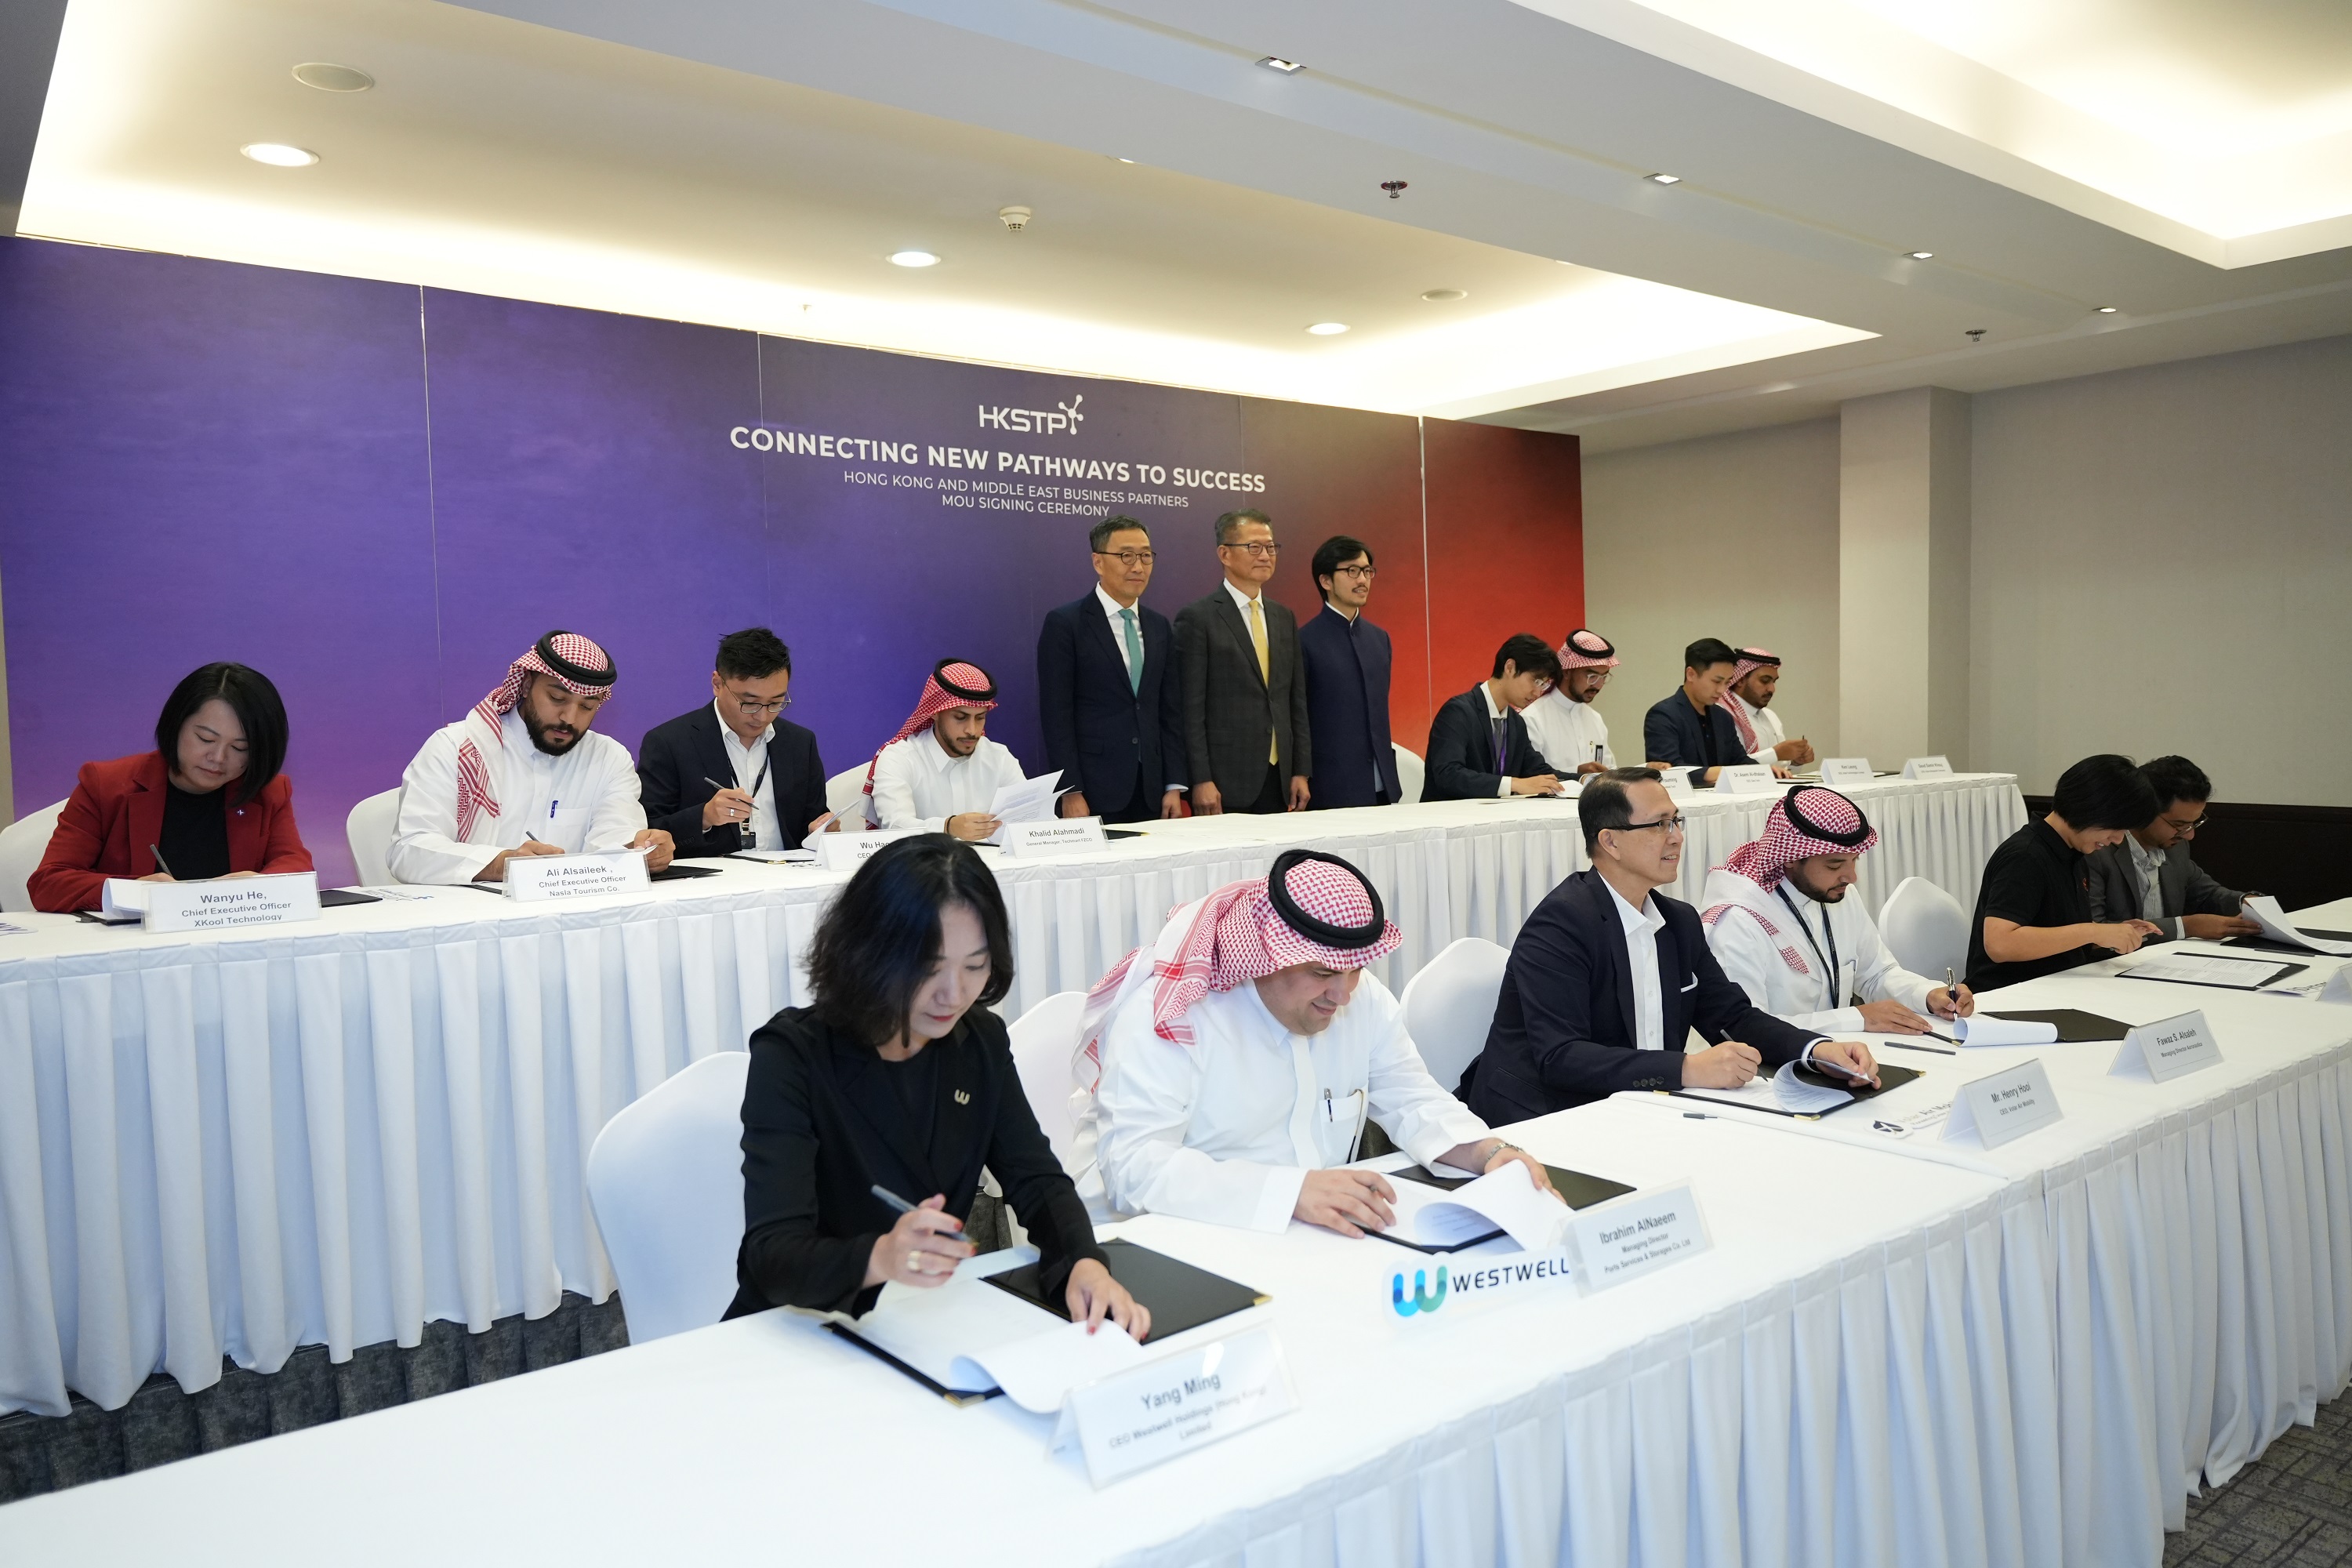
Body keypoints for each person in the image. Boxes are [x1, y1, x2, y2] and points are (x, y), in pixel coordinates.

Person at [727, 834, 1146, 1335]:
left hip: (915, 1322)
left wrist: (1083, 1261)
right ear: (869, 951)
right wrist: (881, 1256)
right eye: (929, 968)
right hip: (799, 1326)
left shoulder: (978, 1041)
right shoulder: (793, 1055)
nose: (955, 994)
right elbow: (772, 1255)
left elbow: (1035, 1179)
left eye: (975, 966)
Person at [1069, 850, 1558, 1236]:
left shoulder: (1359, 998)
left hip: (1310, 1234)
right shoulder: (1173, 1016)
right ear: (1266, 957)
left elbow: (1410, 1095)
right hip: (1162, 1242)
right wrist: (1289, 1193)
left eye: (1356, 969)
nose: (1343, 994)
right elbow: (1136, 1171)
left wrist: (1486, 1151)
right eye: (1322, 972)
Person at [1463, 768, 1878, 1120]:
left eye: (1677, 822)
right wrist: (1687, 1068)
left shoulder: (1678, 921)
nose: (1676, 837)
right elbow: (1562, 1057)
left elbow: (1733, 1016)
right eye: (1660, 825)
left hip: (1641, 1107)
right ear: (1610, 842)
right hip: (1545, 1117)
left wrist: (1817, 1049)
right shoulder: (1561, 924)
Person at [388, 633, 673, 884]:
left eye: (587, 707)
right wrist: (504, 863)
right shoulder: (457, 747)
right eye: (557, 699)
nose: (569, 719)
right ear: (525, 685)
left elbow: (614, 838)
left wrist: (638, 850)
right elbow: (409, 850)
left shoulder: (609, 758)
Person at [31, 662, 314, 913]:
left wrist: (259, 885)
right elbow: (49, 882)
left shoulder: (268, 792)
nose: (218, 758)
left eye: (240, 748)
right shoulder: (105, 784)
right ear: (177, 724)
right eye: (205, 739)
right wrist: (137, 891)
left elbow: (295, 865)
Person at [1700, 786, 1974, 1035]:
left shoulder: (1839, 895)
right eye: (1834, 865)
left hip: (1842, 1054)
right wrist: (1857, 1018)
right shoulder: (1738, 920)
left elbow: (1876, 973)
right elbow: (1746, 1028)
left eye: (1854, 860)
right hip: (1766, 1075)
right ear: (1791, 859)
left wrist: (1927, 994)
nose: (1851, 877)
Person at [1966, 753, 2165, 991]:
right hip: (2009, 994)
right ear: (2092, 809)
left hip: (2057, 985)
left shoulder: (2072, 853)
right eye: (2116, 827)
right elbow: (2000, 944)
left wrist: (2110, 933)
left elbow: (2052, 924)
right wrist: (2094, 931)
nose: (2117, 839)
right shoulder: (2025, 856)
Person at [1035, 517, 1187, 824]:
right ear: (1098, 562)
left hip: (1151, 790)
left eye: (1146, 556)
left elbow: (1169, 711)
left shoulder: (1159, 626)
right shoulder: (1066, 624)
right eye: (1126, 556)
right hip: (1093, 790)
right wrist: (1070, 791)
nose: (1138, 566)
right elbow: (1056, 716)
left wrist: (1173, 785)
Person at [636, 628, 835, 858]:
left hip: (789, 877)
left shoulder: (801, 742)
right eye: (749, 703)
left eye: (776, 702)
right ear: (717, 684)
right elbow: (648, 833)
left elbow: (811, 821)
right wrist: (705, 817)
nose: (762, 716)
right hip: (714, 882)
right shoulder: (669, 742)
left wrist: (820, 830)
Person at [1174, 509, 1310, 814]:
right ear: (1224, 553)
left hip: (1282, 779)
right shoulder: (1198, 618)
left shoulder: (1283, 616)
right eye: (1254, 547)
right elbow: (1190, 709)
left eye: (1271, 547)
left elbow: (1295, 700)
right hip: (1225, 782)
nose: (1266, 555)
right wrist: (1201, 779)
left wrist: (1300, 769)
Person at [2084, 756, 2261, 942]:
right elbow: (2092, 931)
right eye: (2178, 825)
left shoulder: (2175, 848)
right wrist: (2186, 927)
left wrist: (2246, 902)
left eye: (2194, 824)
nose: (2188, 835)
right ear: (2143, 809)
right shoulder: (2097, 850)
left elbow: (2207, 894)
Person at [864, 660, 1028, 841]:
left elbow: (1029, 816)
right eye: (960, 717)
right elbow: (894, 827)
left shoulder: (999, 757)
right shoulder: (899, 758)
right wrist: (947, 827)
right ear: (934, 712)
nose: (972, 731)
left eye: (980, 718)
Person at [1298, 535, 1400, 808]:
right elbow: (1299, 718)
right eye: (1352, 571)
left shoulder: (1380, 639)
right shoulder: (1304, 641)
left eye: (1367, 571)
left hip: (1382, 784)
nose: (1363, 580)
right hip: (1331, 786)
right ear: (1326, 581)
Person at [1422, 633, 1567, 800]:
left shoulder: (1515, 722)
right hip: (1446, 818)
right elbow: (1448, 775)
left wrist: (1587, 780)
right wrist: (1514, 784)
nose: (1537, 692)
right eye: (1536, 682)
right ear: (1510, 667)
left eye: (1543, 685)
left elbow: (1539, 772)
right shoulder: (1458, 712)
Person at [1642, 637, 1748, 787]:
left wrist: (1766, 771)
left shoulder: (1723, 716)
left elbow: (1740, 759)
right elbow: (1668, 770)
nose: (1722, 690)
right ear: (1691, 674)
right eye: (1717, 681)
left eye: (1727, 682)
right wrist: (1714, 773)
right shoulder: (1663, 715)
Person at [1519, 628, 1624, 778]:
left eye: (1603, 677)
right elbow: (1530, 776)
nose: (1598, 685)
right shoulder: (1532, 718)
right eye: (1591, 676)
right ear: (1567, 671)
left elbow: (1610, 770)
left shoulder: (1595, 719)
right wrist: (1577, 773)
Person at [1719, 647, 1813, 770]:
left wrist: (1795, 761)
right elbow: (1730, 767)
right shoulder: (1721, 714)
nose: (1772, 689)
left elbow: (1780, 771)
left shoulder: (1771, 716)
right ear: (1740, 680)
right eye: (1765, 681)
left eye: (1774, 682)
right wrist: (1775, 754)